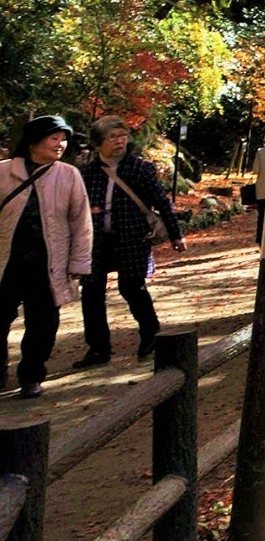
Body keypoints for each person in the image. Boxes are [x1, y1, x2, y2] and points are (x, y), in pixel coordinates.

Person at [76, 116, 184, 366]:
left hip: (132, 237)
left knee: (131, 287)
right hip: (96, 241)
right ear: (98, 143)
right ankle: (98, 348)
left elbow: (162, 202)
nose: (119, 141)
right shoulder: (87, 173)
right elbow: (77, 207)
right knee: (91, 293)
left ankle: (150, 334)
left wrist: (176, 234)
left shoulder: (139, 168)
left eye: (122, 136)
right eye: (112, 137)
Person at [0, 116, 91, 396]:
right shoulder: (3, 172)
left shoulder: (68, 175)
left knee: (43, 324)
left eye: (64, 139)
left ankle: (31, 375)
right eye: (54, 138)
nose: (61, 144)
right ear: (33, 141)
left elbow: (81, 222)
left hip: (49, 263)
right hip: (6, 262)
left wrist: (79, 264)